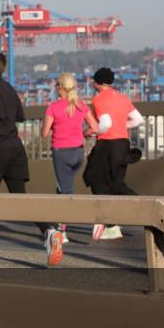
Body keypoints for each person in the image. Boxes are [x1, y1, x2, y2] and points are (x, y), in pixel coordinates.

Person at [0, 50, 64, 267]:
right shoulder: (8, 87)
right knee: (21, 198)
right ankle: (49, 231)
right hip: (15, 148)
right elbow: (20, 116)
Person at [83, 67, 144, 241]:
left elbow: (105, 123)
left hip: (107, 145)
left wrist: (91, 131)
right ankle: (117, 222)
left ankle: (108, 222)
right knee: (117, 183)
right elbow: (138, 119)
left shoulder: (99, 99)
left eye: (94, 81)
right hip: (123, 144)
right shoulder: (123, 97)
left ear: (99, 83)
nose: (93, 84)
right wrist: (122, 127)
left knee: (94, 178)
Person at [41, 73, 100, 246]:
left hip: (61, 153)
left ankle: (62, 231)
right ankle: (61, 225)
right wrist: (84, 134)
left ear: (59, 88)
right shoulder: (81, 106)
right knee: (64, 188)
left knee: (65, 192)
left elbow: (44, 134)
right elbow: (95, 127)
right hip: (78, 153)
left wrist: (45, 123)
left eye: (56, 86)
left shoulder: (53, 107)